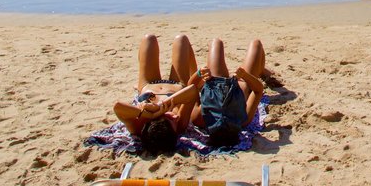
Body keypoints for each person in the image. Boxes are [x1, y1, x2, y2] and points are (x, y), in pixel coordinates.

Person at [113, 34, 266, 153]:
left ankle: (260, 70)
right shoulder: (179, 125)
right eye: (172, 120)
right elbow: (192, 92)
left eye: (169, 118)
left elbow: (118, 107)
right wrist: (164, 107)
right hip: (178, 85)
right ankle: (261, 70)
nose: (174, 116)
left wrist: (149, 114)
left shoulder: (139, 125)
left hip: (149, 84)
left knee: (151, 39)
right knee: (184, 40)